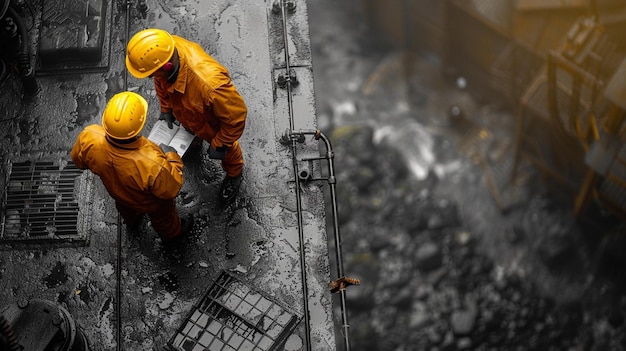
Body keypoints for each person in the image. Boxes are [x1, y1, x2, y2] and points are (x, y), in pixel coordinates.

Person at [125, 28, 248, 202]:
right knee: (191, 126)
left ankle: (235, 173)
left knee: (228, 151)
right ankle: (194, 141)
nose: (150, 77)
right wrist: (166, 109)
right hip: (189, 114)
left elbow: (236, 118)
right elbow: (161, 81)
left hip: (210, 123)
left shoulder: (211, 86)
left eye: (151, 73)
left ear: (166, 66)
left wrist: (219, 145)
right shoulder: (166, 50)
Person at [71, 91, 191, 243]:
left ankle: (132, 222)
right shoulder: (153, 163)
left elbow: (78, 161)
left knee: (126, 209)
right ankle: (172, 236)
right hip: (152, 203)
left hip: (119, 195)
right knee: (164, 220)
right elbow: (171, 189)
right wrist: (172, 157)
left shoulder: (89, 136)